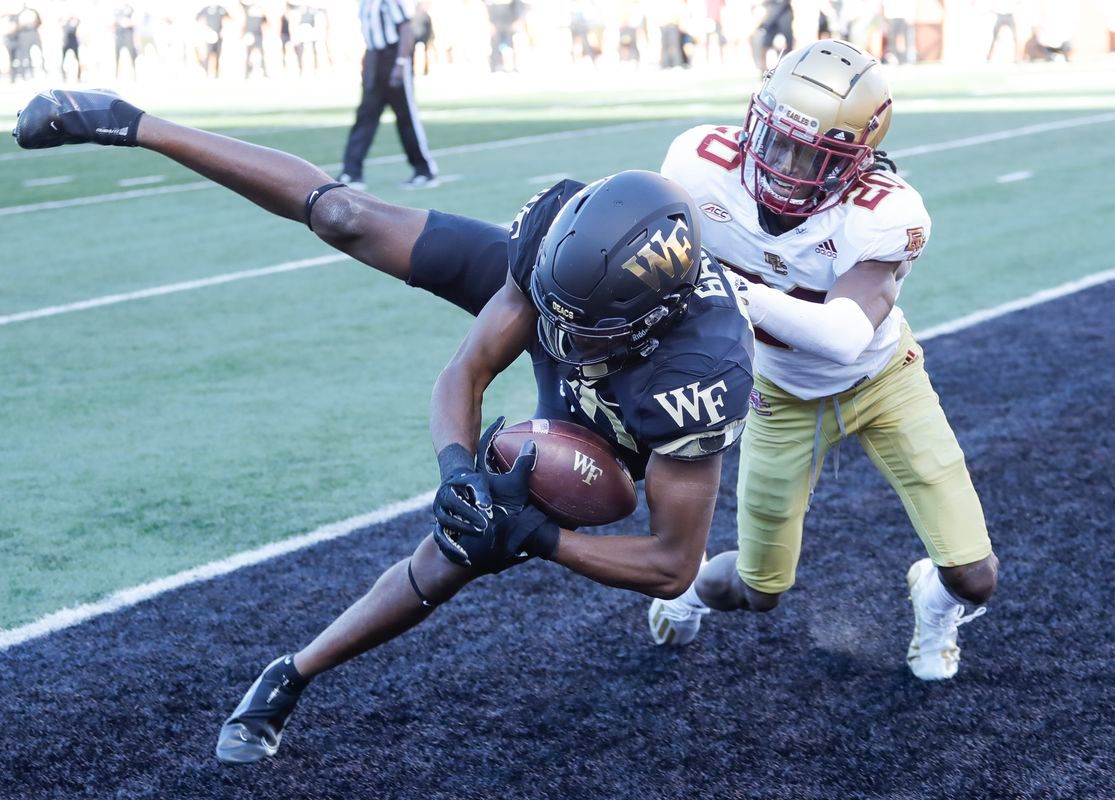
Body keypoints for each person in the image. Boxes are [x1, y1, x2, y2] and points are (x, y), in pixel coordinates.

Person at [12, 88, 754, 764]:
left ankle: (292, 672)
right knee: (345, 215)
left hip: (616, 414)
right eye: (550, 307)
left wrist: (539, 538)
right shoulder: (557, 261)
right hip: (585, 308)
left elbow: (670, 565)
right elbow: (465, 373)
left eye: (577, 325)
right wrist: (457, 468)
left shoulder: (699, 371)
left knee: (462, 550)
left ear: (651, 319)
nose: (555, 332)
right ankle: (133, 121)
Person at [647, 40, 999, 681]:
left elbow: (840, 335)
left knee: (974, 576)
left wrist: (733, 291)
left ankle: (933, 602)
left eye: (812, 154)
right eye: (775, 140)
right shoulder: (699, 165)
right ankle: (693, 591)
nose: (782, 165)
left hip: (884, 380)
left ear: (857, 158)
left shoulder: (885, 211)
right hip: (779, 396)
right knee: (761, 589)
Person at [339, 0, 437, 191]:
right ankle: (352, 171)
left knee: (406, 117)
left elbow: (406, 29)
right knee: (365, 116)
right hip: (374, 57)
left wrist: (400, 62)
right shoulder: (363, 3)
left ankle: (424, 170)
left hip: (393, 57)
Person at [196, 3, 229, 79]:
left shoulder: (221, 9)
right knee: (207, 54)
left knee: (217, 55)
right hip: (209, 36)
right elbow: (199, 19)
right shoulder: (206, 8)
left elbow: (227, 19)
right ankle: (206, 73)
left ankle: (217, 74)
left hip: (219, 36)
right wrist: (205, 30)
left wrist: (224, 29)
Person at [241, 1, 268, 78]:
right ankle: (247, 72)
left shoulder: (261, 9)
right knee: (248, 53)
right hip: (249, 34)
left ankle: (265, 72)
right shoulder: (247, 7)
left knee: (262, 53)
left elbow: (265, 21)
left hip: (258, 34)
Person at [114, 4, 138, 79]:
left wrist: (128, 23)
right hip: (119, 35)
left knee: (132, 55)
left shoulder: (129, 8)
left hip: (128, 35)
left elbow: (135, 20)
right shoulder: (116, 9)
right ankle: (116, 75)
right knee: (117, 56)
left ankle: (134, 75)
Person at [60, 13, 80, 81]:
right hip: (66, 44)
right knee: (63, 60)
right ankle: (63, 76)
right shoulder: (65, 26)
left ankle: (78, 77)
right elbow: (59, 21)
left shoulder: (72, 26)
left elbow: (78, 22)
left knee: (77, 60)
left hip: (73, 44)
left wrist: (74, 18)